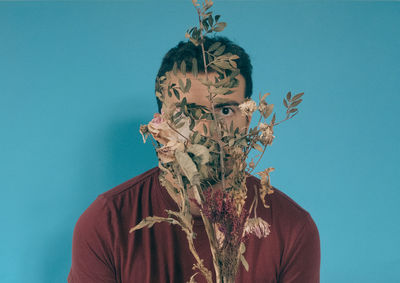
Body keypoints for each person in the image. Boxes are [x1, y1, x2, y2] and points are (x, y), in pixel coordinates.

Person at [67, 36, 320, 283]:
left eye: (224, 110)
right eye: (186, 113)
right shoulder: (107, 223)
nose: (204, 132)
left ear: (248, 120)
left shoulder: (292, 229)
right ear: (160, 124)